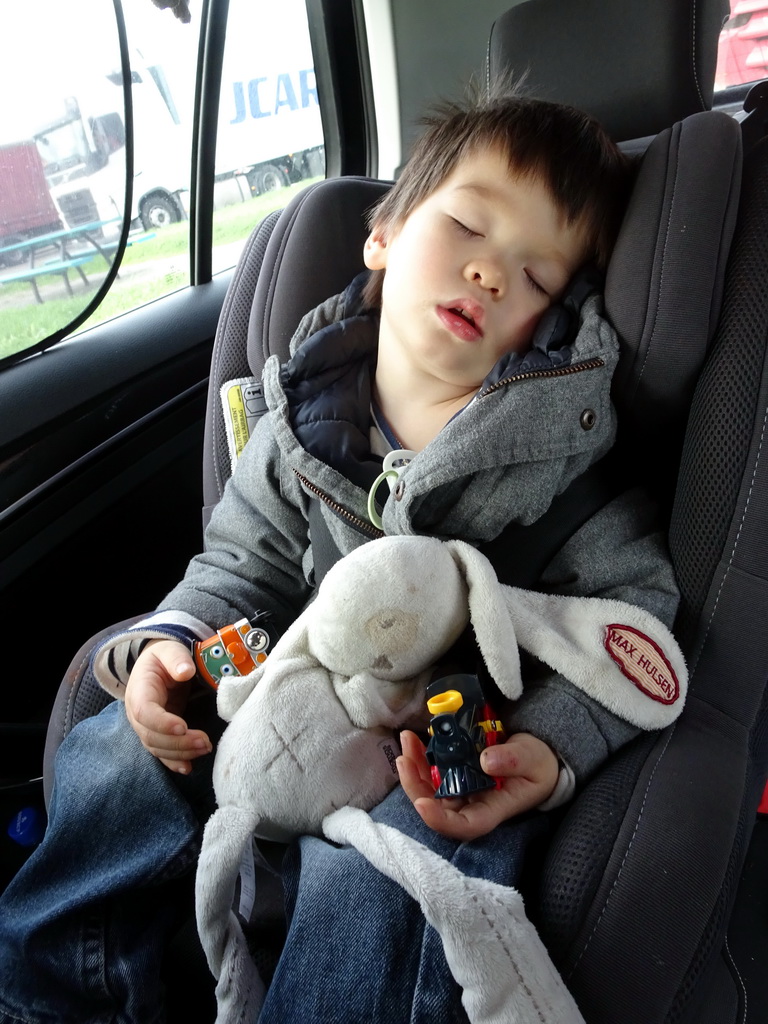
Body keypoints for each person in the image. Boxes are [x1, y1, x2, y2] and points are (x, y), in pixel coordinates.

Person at [0, 84, 680, 1024]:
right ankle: (58, 1001)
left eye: (535, 279)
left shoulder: (561, 458)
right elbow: (241, 567)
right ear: (386, 236)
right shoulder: (299, 426)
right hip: (284, 696)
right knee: (116, 752)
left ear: (553, 323)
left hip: (433, 749)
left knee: (387, 881)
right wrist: (177, 642)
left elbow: (631, 615)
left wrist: (551, 745)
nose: (490, 274)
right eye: (469, 227)